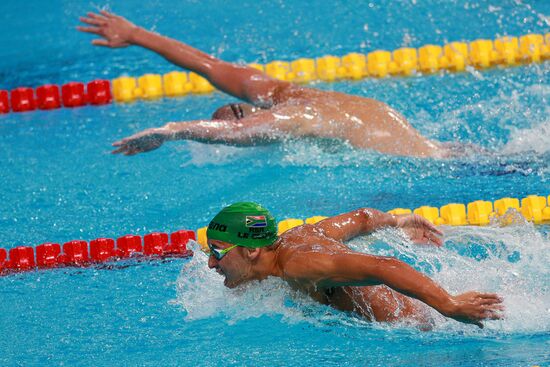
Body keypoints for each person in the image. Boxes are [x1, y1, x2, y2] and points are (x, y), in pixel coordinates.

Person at [78, 10, 454, 158]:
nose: (243, 119)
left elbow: (215, 77)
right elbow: (214, 77)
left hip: (439, 162)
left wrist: (172, 130)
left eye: (239, 114)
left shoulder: (291, 110)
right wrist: (136, 35)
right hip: (444, 152)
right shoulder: (288, 101)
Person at [205, 202, 504, 328]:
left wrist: (450, 305)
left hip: (421, 328)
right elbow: (362, 217)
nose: (209, 263)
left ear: (252, 250)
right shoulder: (297, 236)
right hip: (419, 316)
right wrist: (399, 222)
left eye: (217, 252)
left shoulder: (299, 264)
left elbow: (385, 266)